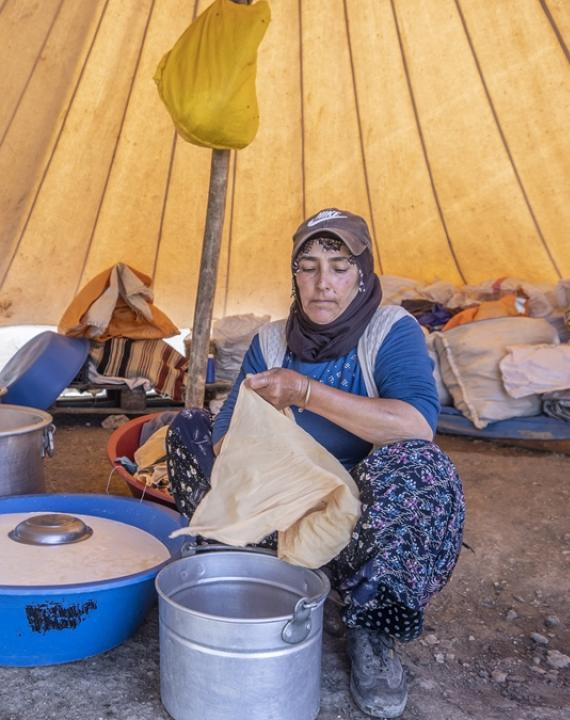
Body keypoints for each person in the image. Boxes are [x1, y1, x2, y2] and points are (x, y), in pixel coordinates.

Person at [165, 208, 465, 719]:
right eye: (308, 266)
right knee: (186, 428)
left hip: (362, 520)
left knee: (421, 468)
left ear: (363, 274)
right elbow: (224, 431)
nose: (322, 283)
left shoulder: (391, 331)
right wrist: (271, 461)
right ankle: (252, 567)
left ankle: (369, 627)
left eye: (339, 266)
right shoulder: (271, 340)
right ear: (294, 275)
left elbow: (415, 425)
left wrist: (303, 392)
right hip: (282, 508)